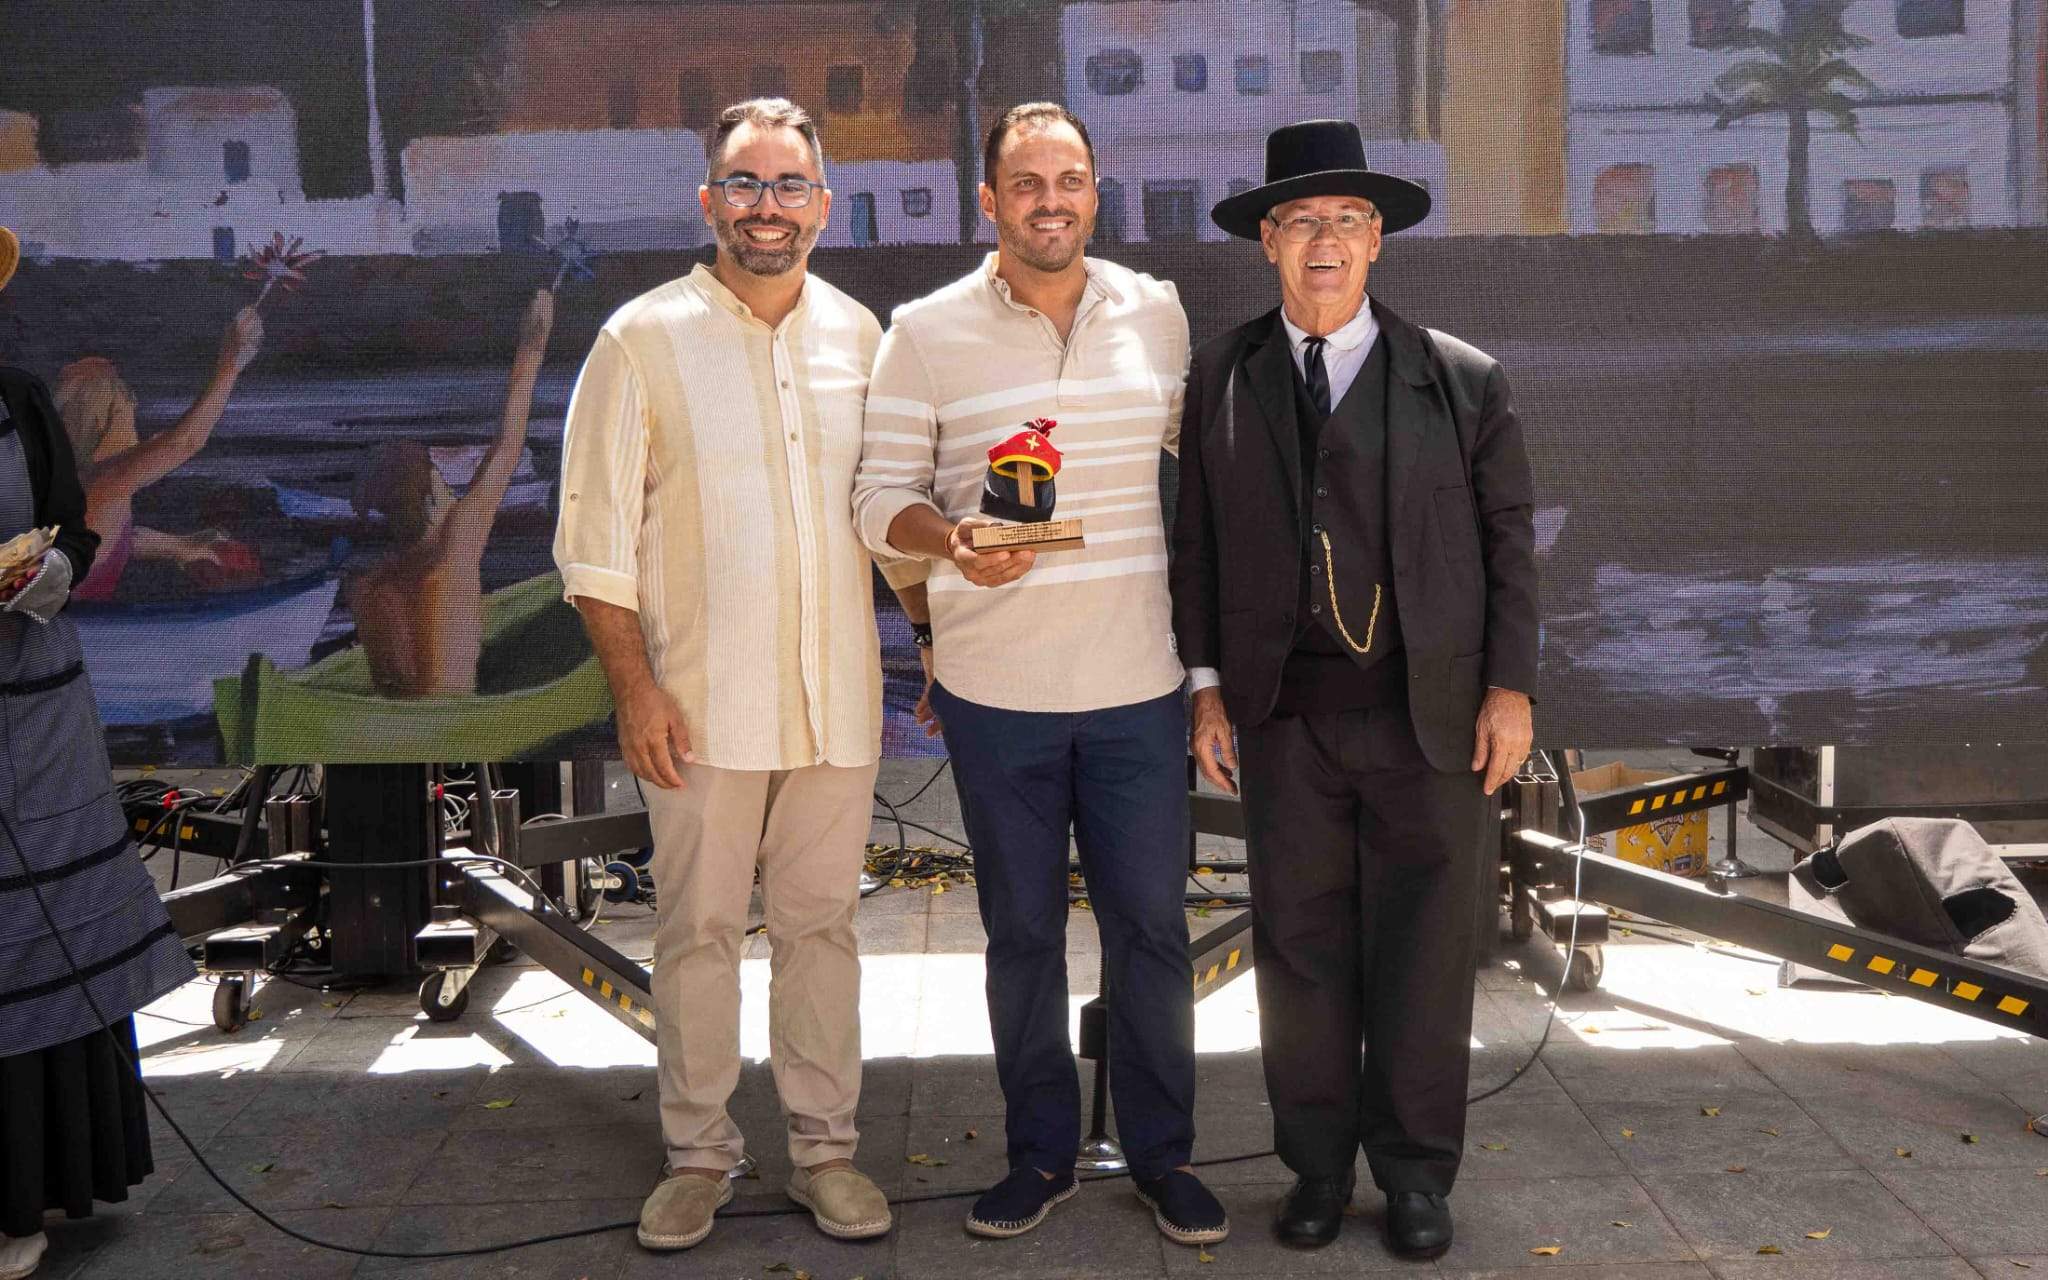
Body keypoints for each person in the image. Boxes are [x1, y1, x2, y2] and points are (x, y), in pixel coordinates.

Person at [852, 102, 1227, 1247]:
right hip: (995, 695)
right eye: (1025, 182)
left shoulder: (1153, 311)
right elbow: (875, 498)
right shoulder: (922, 331)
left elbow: (1210, 475)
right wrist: (951, 540)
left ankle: (1162, 1155)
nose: (1049, 200)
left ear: (1094, 193)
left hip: (1135, 685)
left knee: (1151, 929)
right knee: (1018, 935)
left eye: (1068, 180)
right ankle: (1039, 1154)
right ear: (988, 200)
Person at [1169, 119, 1538, 1260]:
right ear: (1267, 242)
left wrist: (1511, 690)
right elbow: (1196, 544)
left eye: (1344, 221)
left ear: (1376, 240)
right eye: (1299, 222)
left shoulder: (1460, 378)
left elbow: (1509, 544)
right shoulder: (1221, 373)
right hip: (1285, 719)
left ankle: (1416, 1176)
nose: (1321, 241)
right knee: (1300, 949)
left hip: (1431, 718)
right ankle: (1317, 1168)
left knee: (1427, 952)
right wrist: (1206, 689)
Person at [553, 98, 910, 1254]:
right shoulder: (639, 340)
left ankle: (825, 1150)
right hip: (697, 705)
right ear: (709, 201)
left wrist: (938, 639)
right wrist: (635, 689)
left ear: (824, 205)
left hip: (835, 699)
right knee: (696, 928)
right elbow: (592, 544)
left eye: (789, 184)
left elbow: (890, 521)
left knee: (821, 929)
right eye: (745, 184)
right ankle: (698, 1154)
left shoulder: (861, 337)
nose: (768, 207)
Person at [0, 223, 197, 1280]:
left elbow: (71, 527)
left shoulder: (19, 400)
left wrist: (50, 572)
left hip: (29, 718)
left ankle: (21, 1194)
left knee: (38, 932)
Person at [347, 287, 554, 696]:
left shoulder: (366, 587)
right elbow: (507, 449)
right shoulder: (455, 550)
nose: (452, 490)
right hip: (449, 719)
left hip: (393, 720)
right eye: (441, 479)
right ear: (430, 501)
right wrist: (533, 342)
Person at [50, 305, 264, 601]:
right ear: (102, 425)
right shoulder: (97, 487)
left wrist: (180, 546)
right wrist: (231, 363)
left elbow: (122, 539)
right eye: (126, 413)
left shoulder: (90, 496)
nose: (143, 437)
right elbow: (184, 443)